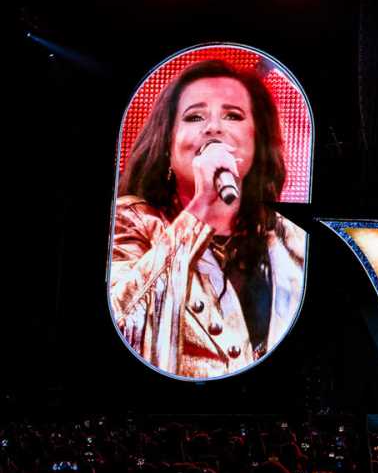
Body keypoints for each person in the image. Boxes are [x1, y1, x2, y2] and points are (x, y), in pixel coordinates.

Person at [110, 59, 307, 380]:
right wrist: (202, 209)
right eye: (195, 116)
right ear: (166, 145)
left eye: (232, 115)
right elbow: (124, 321)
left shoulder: (290, 238)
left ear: (257, 142)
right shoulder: (132, 220)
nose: (214, 128)